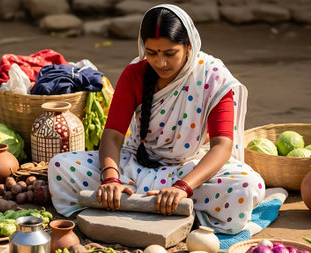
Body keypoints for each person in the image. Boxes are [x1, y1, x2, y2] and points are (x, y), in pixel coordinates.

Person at [48, 4, 265, 234]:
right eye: (152, 53)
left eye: (170, 53)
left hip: (188, 169)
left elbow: (222, 146)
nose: (160, 63)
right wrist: (110, 180)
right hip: (135, 165)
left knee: (248, 186)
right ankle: (166, 207)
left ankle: (147, 203)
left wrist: (182, 188)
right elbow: (112, 135)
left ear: (189, 46)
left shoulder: (212, 76)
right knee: (61, 166)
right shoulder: (134, 74)